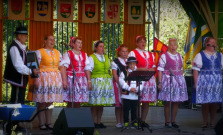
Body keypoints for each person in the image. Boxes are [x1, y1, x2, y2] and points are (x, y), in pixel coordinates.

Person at [32, 35, 63, 130]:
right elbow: (35, 66)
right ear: (45, 41)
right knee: (42, 101)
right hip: (43, 78)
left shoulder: (57, 52)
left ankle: (49, 122)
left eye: (54, 39)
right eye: (50, 39)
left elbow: (61, 67)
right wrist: (36, 79)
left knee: (50, 102)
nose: (52, 41)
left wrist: (63, 80)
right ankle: (41, 123)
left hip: (54, 79)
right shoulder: (39, 52)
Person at [4, 25, 39, 104]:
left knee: (20, 100)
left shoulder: (21, 47)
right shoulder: (14, 47)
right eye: (25, 36)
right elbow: (18, 65)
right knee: (16, 102)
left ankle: (18, 116)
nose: (26, 38)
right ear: (19, 36)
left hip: (21, 79)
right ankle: (15, 116)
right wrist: (31, 71)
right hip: (16, 79)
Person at [193, 37, 223, 128]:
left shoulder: (220, 55)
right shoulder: (200, 55)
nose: (214, 44)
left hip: (217, 82)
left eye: (215, 42)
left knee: (214, 102)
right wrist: (196, 83)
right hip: (204, 81)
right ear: (206, 44)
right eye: (211, 42)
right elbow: (195, 70)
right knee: (205, 102)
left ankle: (212, 122)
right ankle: (205, 121)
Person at [157, 38, 188, 128]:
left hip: (178, 80)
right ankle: (167, 121)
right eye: (171, 45)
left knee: (176, 102)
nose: (173, 46)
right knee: (167, 101)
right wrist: (160, 82)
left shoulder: (179, 55)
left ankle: (173, 121)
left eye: (174, 45)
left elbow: (181, 69)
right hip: (168, 80)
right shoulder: (164, 56)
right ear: (168, 45)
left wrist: (181, 80)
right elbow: (160, 70)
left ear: (177, 46)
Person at [128, 35, 156, 127]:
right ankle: (136, 119)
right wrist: (140, 68)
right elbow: (130, 66)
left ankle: (143, 120)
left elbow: (153, 66)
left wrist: (152, 70)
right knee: (137, 100)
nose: (143, 43)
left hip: (149, 79)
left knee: (146, 101)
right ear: (136, 43)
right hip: (138, 79)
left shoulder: (150, 54)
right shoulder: (133, 53)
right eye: (140, 41)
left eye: (144, 41)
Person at [88, 40, 115, 128]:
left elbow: (108, 70)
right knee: (95, 103)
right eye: (100, 46)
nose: (102, 48)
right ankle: (92, 122)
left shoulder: (106, 57)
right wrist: (89, 81)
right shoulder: (92, 57)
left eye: (103, 46)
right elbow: (88, 70)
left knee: (101, 103)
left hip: (105, 83)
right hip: (96, 82)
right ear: (95, 48)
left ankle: (99, 122)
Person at [61, 37, 91, 108]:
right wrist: (64, 81)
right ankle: (69, 117)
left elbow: (87, 68)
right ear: (73, 44)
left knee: (78, 101)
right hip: (71, 79)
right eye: (78, 42)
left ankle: (76, 117)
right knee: (71, 101)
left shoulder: (84, 54)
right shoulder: (68, 53)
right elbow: (64, 68)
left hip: (81, 80)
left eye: (81, 43)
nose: (80, 44)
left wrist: (89, 81)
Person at [119, 56, 144, 129]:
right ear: (128, 64)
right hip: (126, 94)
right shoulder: (124, 72)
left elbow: (142, 82)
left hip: (135, 94)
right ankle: (126, 122)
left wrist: (137, 89)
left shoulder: (138, 72)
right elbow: (121, 81)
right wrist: (129, 88)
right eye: (130, 64)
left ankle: (134, 122)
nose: (132, 65)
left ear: (136, 64)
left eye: (133, 64)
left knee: (134, 109)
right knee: (126, 109)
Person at [111, 44, 128, 128]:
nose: (124, 53)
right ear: (119, 52)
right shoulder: (115, 62)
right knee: (118, 105)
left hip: (127, 85)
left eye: (126, 51)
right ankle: (118, 121)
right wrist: (121, 84)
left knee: (125, 104)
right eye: (123, 51)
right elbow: (115, 74)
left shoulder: (129, 61)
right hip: (118, 84)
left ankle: (124, 121)